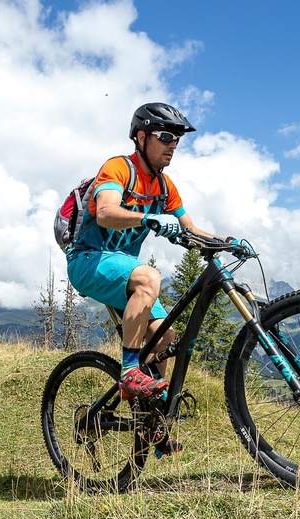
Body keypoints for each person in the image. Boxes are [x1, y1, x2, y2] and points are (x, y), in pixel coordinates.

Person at [66, 102, 226, 455]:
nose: (172, 145)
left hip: (121, 268)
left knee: (165, 335)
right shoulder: (119, 168)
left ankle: (152, 423)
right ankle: (128, 372)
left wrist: (226, 243)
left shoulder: (165, 186)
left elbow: (190, 230)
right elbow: (106, 212)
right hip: (88, 260)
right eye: (165, 136)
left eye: (177, 140)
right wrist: (146, 219)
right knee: (149, 277)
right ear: (141, 137)